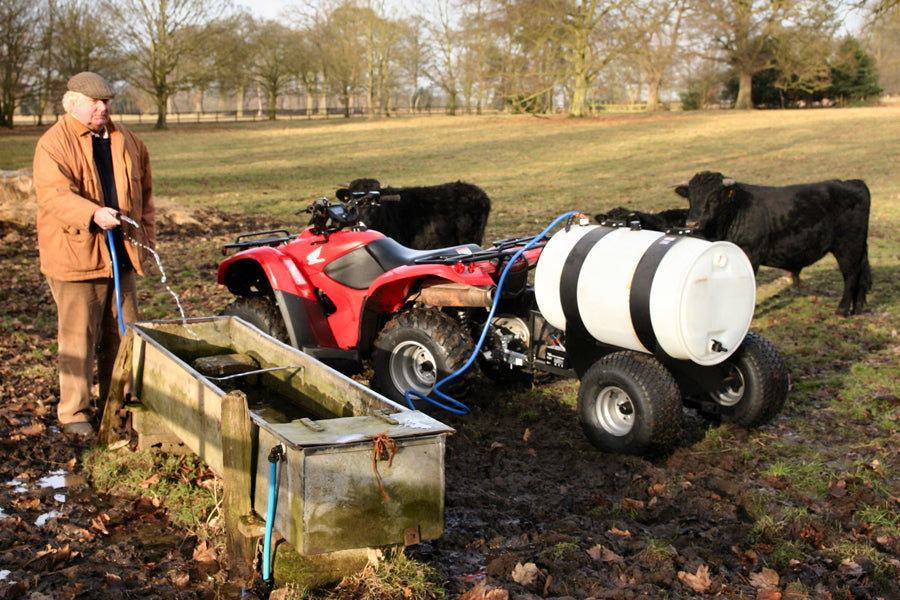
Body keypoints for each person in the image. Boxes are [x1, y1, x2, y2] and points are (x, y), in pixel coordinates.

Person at [33, 72, 156, 437]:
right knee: (79, 338)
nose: (102, 108)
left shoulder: (128, 141)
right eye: (94, 102)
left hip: (123, 254)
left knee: (123, 335)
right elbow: (54, 194)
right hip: (76, 256)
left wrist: (145, 232)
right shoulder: (53, 143)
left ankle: (120, 404)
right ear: (73, 103)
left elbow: (145, 193)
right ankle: (74, 413)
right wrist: (92, 214)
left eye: (106, 101)